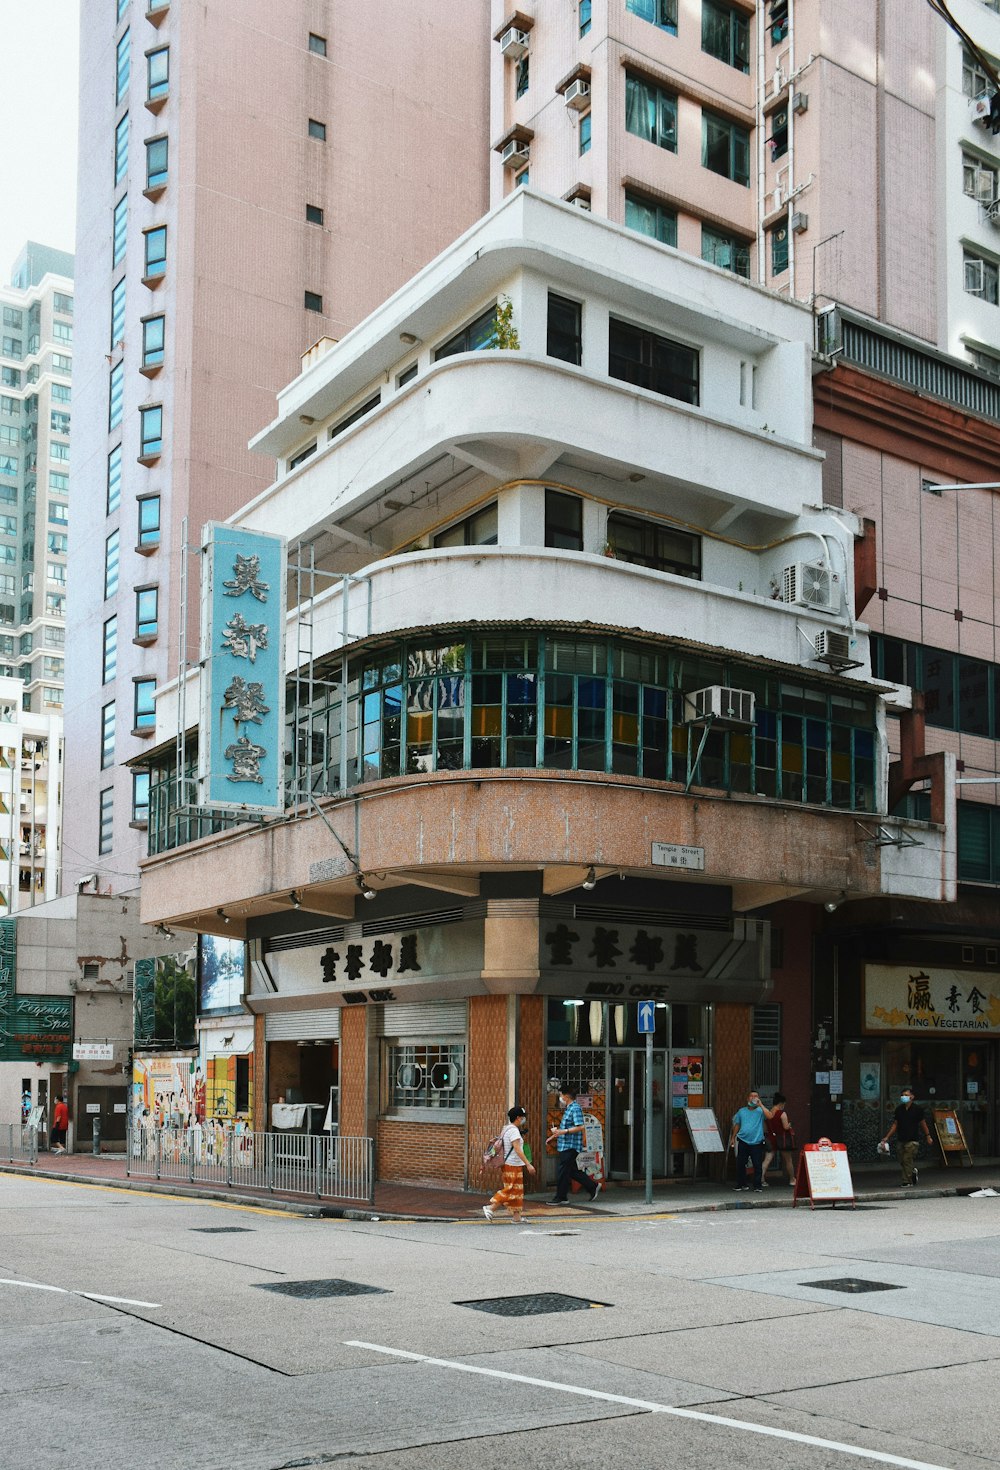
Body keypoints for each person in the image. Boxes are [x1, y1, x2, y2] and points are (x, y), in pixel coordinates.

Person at [547, 1083, 601, 1204]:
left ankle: (561, 1197)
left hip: (570, 1146)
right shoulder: (569, 1108)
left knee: (563, 1171)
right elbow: (567, 1128)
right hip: (565, 1144)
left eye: (561, 1095)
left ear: (566, 1096)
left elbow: (581, 1126)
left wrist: (564, 1131)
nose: (560, 1097)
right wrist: (555, 1135)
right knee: (570, 1171)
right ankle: (592, 1186)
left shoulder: (575, 1108)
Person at [484, 1106, 535, 1223]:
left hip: (511, 1164)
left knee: (517, 1191)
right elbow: (517, 1149)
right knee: (511, 1189)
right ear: (518, 1117)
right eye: (523, 1117)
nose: (524, 1119)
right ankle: (491, 1208)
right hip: (512, 1164)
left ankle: (516, 1218)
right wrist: (528, 1164)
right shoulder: (513, 1131)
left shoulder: (507, 1128)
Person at [730, 1090, 782, 1192]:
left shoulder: (760, 1111)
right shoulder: (741, 1111)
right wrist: (733, 1137)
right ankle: (741, 1184)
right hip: (743, 1140)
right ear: (747, 1099)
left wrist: (761, 1105)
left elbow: (770, 1116)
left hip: (757, 1141)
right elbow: (737, 1124)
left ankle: (757, 1185)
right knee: (741, 1163)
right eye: (751, 1096)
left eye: (756, 1096)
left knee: (757, 1164)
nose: (753, 1098)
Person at [880, 1087, 932, 1186]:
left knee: (907, 1159)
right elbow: (895, 1124)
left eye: (906, 1095)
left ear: (912, 1097)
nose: (904, 1097)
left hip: (912, 1139)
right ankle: (912, 1172)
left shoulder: (917, 1109)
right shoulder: (899, 1109)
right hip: (901, 1138)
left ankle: (907, 1181)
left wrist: (928, 1135)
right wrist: (887, 1137)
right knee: (902, 1160)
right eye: (902, 1095)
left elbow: (923, 1123)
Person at [762, 1092, 795, 1186]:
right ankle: (792, 1179)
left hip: (771, 1138)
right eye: (784, 1104)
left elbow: (765, 1127)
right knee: (788, 1160)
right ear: (781, 1103)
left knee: (767, 1160)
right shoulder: (782, 1113)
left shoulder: (768, 1113)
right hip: (782, 1139)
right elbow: (785, 1127)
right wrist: (790, 1125)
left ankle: (761, 1178)